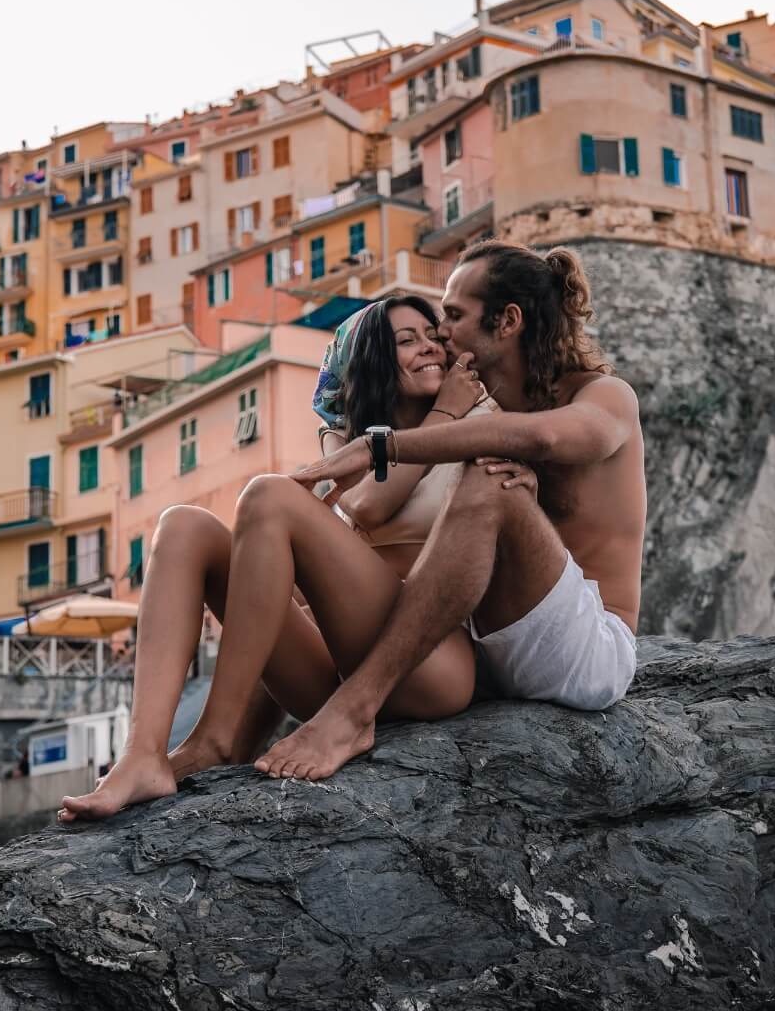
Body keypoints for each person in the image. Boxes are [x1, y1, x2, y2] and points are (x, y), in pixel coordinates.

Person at [58, 296, 532, 822]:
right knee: (181, 525)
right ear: (375, 360)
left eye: (432, 335)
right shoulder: (352, 443)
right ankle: (143, 753)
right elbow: (291, 597)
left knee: (269, 495)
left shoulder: (475, 416)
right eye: (407, 340)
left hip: (430, 665)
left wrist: (445, 410)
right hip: (337, 676)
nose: (430, 348)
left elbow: (370, 506)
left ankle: (215, 737)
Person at [254, 239, 645, 783]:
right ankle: (225, 740)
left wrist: (379, 446)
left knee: (488, 480)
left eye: (455, 316)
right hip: (492, 653)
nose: (442, 332)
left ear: (507, 321)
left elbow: (555, 440)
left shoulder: (604, 396)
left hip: (587, 653)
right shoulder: (496, 416)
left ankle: (354, 710)